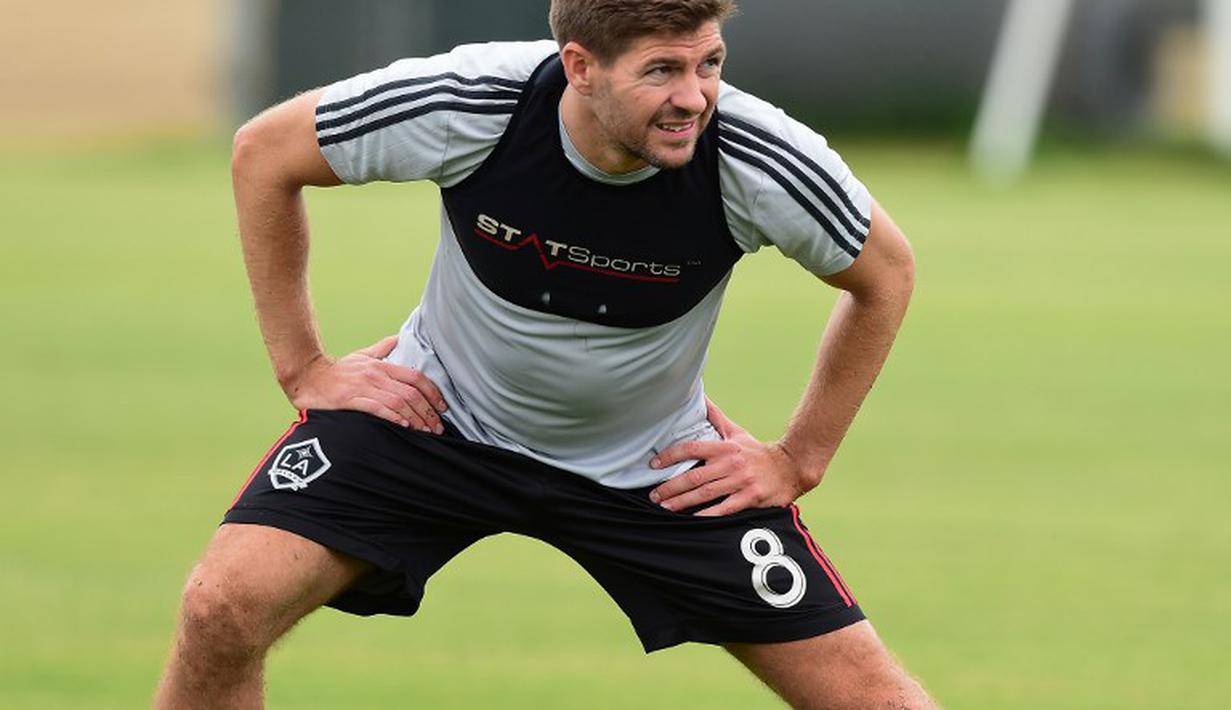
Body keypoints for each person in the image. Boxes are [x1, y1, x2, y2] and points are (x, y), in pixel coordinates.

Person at [155, 1, 935, 707]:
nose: (694, 97)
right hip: (435, 419)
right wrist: (305, 368)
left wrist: (798, 457)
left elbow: (885, 272)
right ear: (579, 66)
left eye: (709, 64)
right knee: (219, 606)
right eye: (661, 70)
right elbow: (265, 151)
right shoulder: (474, 101)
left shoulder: (755, 158)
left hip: (652, 469)